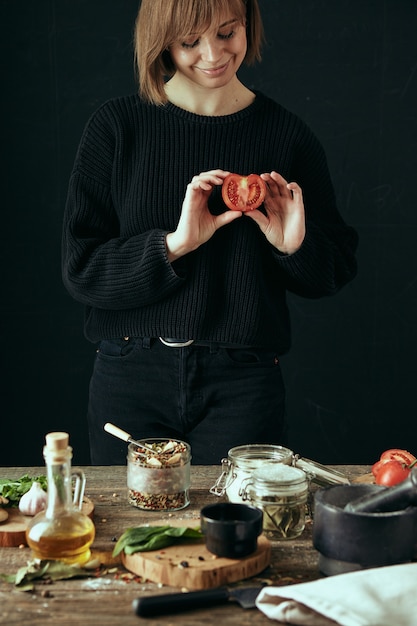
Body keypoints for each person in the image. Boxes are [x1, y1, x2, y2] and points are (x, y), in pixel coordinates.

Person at [62, 0, 358, 465]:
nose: (213, 54)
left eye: (227, 32)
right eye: (189, 42)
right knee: (129, 531)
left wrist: (294, 248)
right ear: (162, 41)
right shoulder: (118, 127)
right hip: (131, 375)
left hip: (244, 381)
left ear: (248, 27)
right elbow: (81, 270)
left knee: (236, 530)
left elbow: (334, 270)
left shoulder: (287, 135)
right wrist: (174, 246)